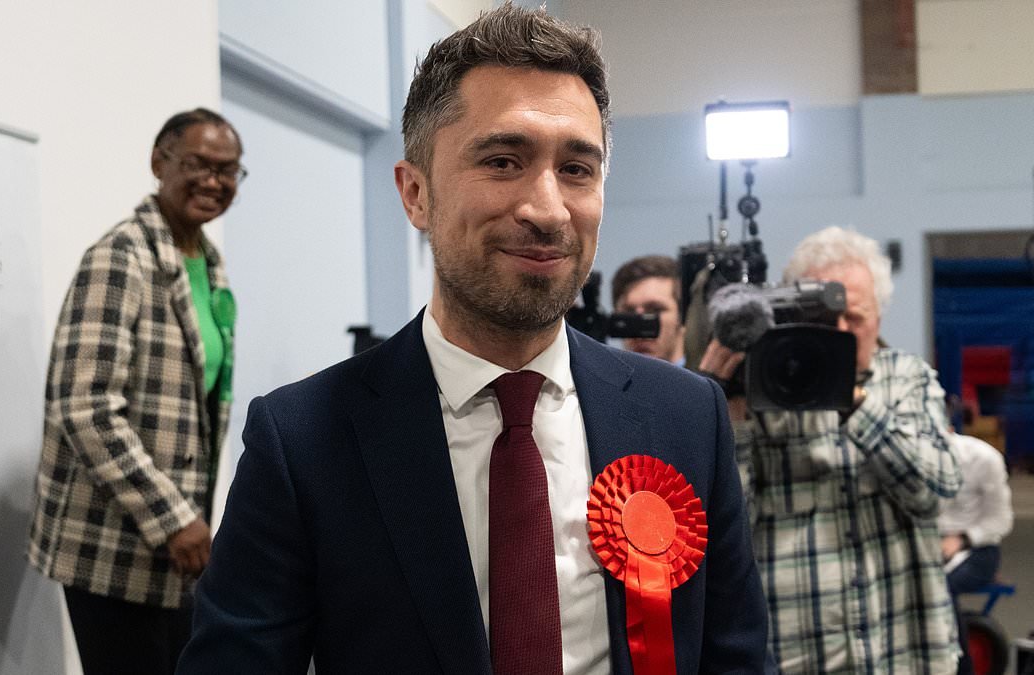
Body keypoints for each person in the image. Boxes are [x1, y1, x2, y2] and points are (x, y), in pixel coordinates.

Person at [177, 5, 767, 674]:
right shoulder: (304, 440)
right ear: (416, 192)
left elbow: (735, 657)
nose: (546, 208)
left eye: (577, 169)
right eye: (503, 160)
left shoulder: (686, 416)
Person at [27, 108, 243, 675]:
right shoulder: (120, 257)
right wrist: (174, 517)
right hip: (111, 544)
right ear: (159, 162)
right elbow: (85, 406)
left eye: (229, 171)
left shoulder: (209, 262)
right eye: (198, 164)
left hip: (175, 550)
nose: (214, 181)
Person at [700, 225, 962, 673]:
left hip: (905, 651)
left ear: (879, 315)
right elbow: (728, 532)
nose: (839, 331)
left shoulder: (906, 378)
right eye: (823, 321)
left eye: (854, 319)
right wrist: (722, 408)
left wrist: (852, 397)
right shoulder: (765, 392)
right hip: (799, 654)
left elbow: (934, 491)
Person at [940, 431, 1014, 673]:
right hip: (930, 545)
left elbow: (1001, 520)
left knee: (941, 589)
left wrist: (962, 539)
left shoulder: (984, 458)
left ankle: (963, 669)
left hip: (979, 549)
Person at [612, 254, 686, 364]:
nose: (639, 323)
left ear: (683, 317)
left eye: (655, 310)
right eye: (629, 313)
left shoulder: (711, 379)